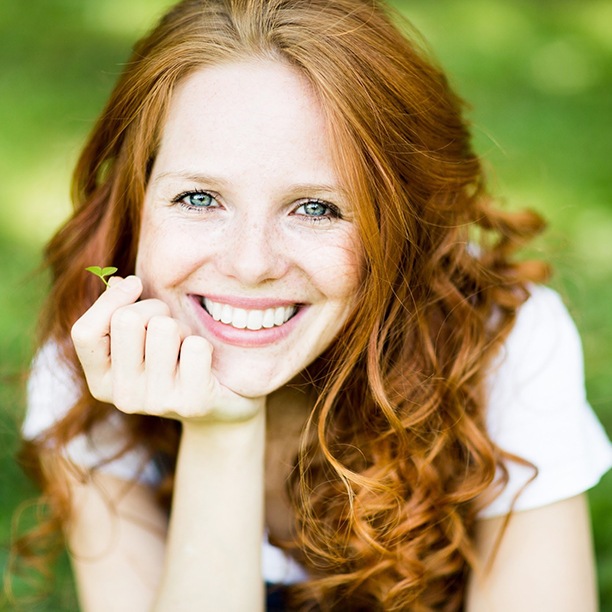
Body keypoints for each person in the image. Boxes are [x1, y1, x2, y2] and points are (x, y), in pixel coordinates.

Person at [16, 0, 612, 610]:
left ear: (398, 222)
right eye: (198, 198)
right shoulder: (90, 365)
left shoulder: (502, 344)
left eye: (317, 207)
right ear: (136, 201)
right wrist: (223, 432)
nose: (251, 265)